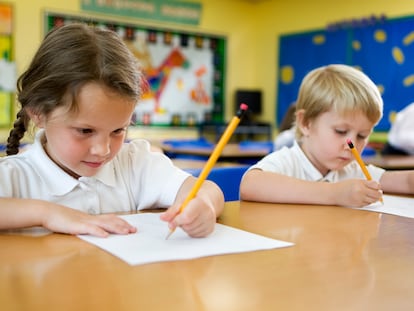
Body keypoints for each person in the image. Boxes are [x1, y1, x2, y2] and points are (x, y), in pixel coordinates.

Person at [0, 23, 224, 237]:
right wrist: (47, 213)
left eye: (118, 130)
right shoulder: (13, 176)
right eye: (85, 131)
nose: (103, 150)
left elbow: (207, 189)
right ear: (38, 113)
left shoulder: (135, 163)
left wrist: (202, 204)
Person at [240, 64, 414, 207]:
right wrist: (335, 194)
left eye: (362, 135)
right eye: (341, 131)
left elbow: (403, 182)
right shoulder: (289, 162)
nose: (351, 144)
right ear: (306, 123)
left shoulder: (352, 170)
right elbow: (250, 184)